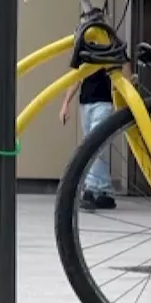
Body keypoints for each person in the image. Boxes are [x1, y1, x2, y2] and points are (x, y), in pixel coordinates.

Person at [60, 68, 118, 210]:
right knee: (96, 147)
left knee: (94, 145)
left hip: (105, 102)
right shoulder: (82, 46)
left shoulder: (112, 45)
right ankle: (105, 191)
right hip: (85, 103)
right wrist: (65, 103)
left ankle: (90, 189)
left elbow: (124, 67)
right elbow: (76, 76)